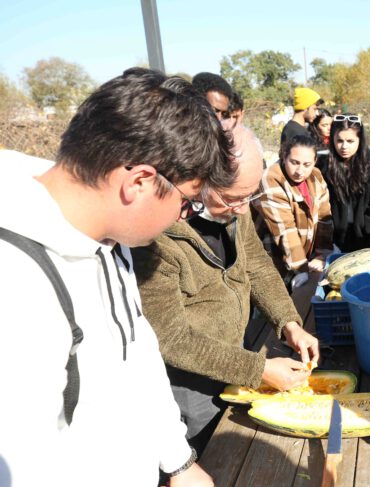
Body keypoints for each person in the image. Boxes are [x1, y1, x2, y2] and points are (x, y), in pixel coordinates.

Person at [0, 68, 236, 486]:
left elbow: (136, 348)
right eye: (187, 203)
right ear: (140, 182)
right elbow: (21, 464)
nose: (184, 218)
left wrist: (178, 461)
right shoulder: (15, 283)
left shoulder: (111, 238)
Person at [132, 125, 320, 455]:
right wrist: (259, 369)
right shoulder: (154, 239)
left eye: (251, 196)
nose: (244, 209)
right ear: (197, 179)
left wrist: (289, 323)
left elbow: (257, 266)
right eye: (232, 198)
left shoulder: (234, 210)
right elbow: (172, 340)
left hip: (237, 352)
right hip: (188, 383)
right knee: (207, 454)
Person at [255, 135, 333, 278]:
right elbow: (285, 229)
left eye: (306, 164)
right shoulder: (270, 178)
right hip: (274, 259)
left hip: (306, 257)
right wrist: (301, 268)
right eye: (294, 162)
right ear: (284, 157)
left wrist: (322, 255)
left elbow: (324, 218)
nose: (300, 171)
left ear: (315, 161)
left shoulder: (316, 176)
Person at [320, 114, 370, 251]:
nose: (344, 146)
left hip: (366, 238)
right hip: (334, 240)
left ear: (360, 140)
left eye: (350, 141)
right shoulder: (324, 167)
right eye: (339, 141)